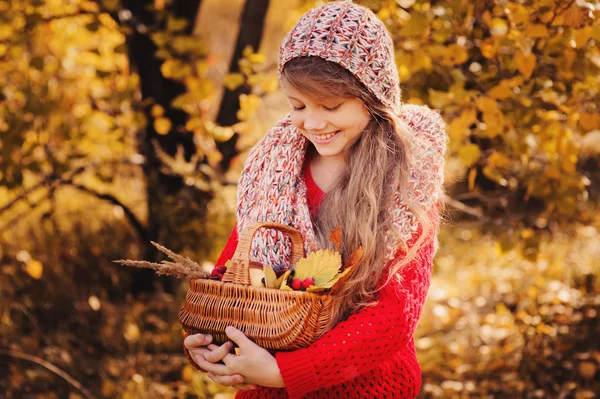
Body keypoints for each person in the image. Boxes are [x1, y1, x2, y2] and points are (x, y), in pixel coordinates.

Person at [183, 1, 448, 398]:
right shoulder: (276, 166)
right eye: (298, 106)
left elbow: (394, 315)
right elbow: (236, 268)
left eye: (331, 106)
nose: (314, 123)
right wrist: (210, 340)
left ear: (373, 96)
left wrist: (287, 372)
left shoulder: (407, 176)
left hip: (366, 386)